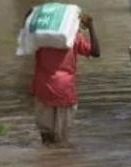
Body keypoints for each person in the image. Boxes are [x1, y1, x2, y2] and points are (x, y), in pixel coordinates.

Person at [30, 13, 100, 146]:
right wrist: (90, 26)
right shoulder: (73, 37)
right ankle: (62, 163)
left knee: (46, 139)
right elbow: (96, 52)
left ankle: (46, 164)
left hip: (44, 90)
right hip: (65, 91)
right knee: (62, 140)